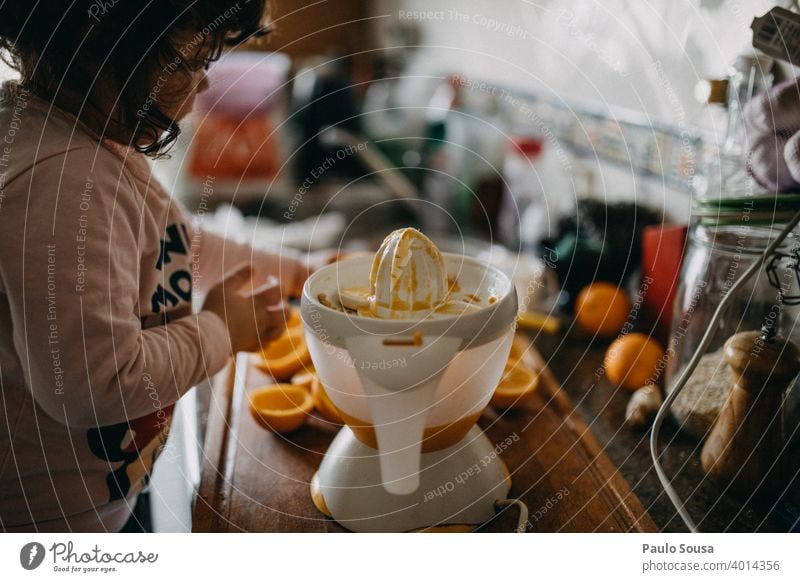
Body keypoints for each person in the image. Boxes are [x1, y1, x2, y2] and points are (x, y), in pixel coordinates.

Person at [0, 1, 305, 531]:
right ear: (100, 49)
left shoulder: (83, 137)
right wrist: (221, 331)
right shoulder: (65, 181)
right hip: (55, 520)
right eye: (189, 60)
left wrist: (301, 269)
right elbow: (95, 384)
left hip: (105, 483)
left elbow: (176, 245)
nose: (204, 86)